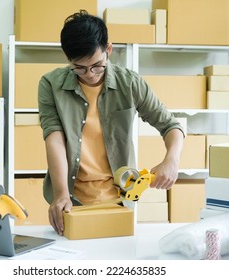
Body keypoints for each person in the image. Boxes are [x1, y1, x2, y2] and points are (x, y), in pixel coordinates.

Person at [38, 10, 184, 235]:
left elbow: (170, 126)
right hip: (71, 201)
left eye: (97, 65)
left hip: (120, 199)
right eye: (79, 68)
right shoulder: (50, 85)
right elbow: (54, 138)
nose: (90, 75)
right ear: (68, 59)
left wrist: (171, 160)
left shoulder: (130, 83)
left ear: (108, 49)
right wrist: (61, 195)